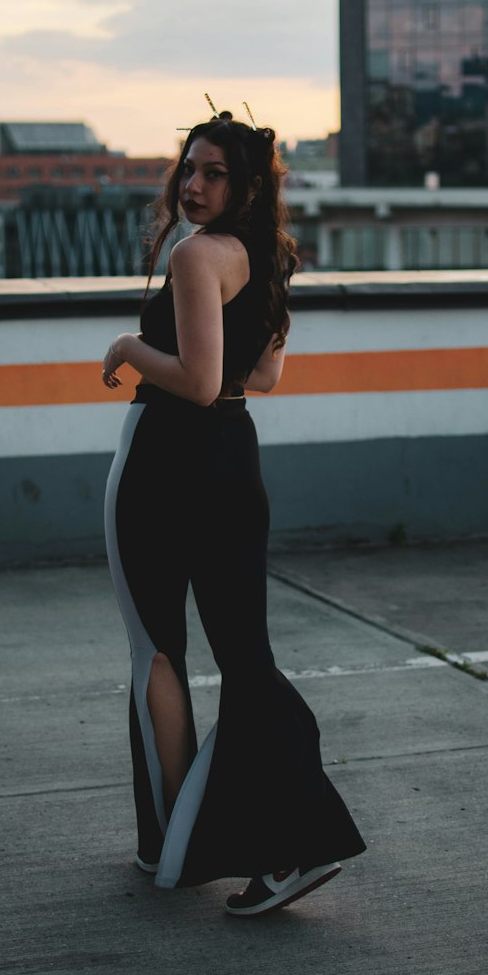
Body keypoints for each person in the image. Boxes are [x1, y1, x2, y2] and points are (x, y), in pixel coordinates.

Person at [101, 107, 366, 917]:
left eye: (214, 172)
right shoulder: (270, 256)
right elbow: (262, 379)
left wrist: (125, 350)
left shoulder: (193, 256)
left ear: (245, 184)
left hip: (166, 464)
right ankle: (271, 847)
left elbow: (194, 378)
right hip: (232, 464)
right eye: (189, 167)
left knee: (157, 647)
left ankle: (191, 843)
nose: (193, 184)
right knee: (245, 655)